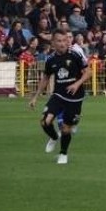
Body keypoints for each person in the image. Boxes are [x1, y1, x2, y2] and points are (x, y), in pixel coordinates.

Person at [29, 29, 91, 164]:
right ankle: (54, 137)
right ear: (53, 43)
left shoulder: (75, 54)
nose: (62, 43)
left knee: (66, 128)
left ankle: (63, 154)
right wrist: (35, 97)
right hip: (58, 94)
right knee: (45, 122)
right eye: (59, 41)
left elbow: (88, 72)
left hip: (75, 97)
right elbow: (45, 78)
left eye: (64, 40)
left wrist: (77, 84)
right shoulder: (51, 59)